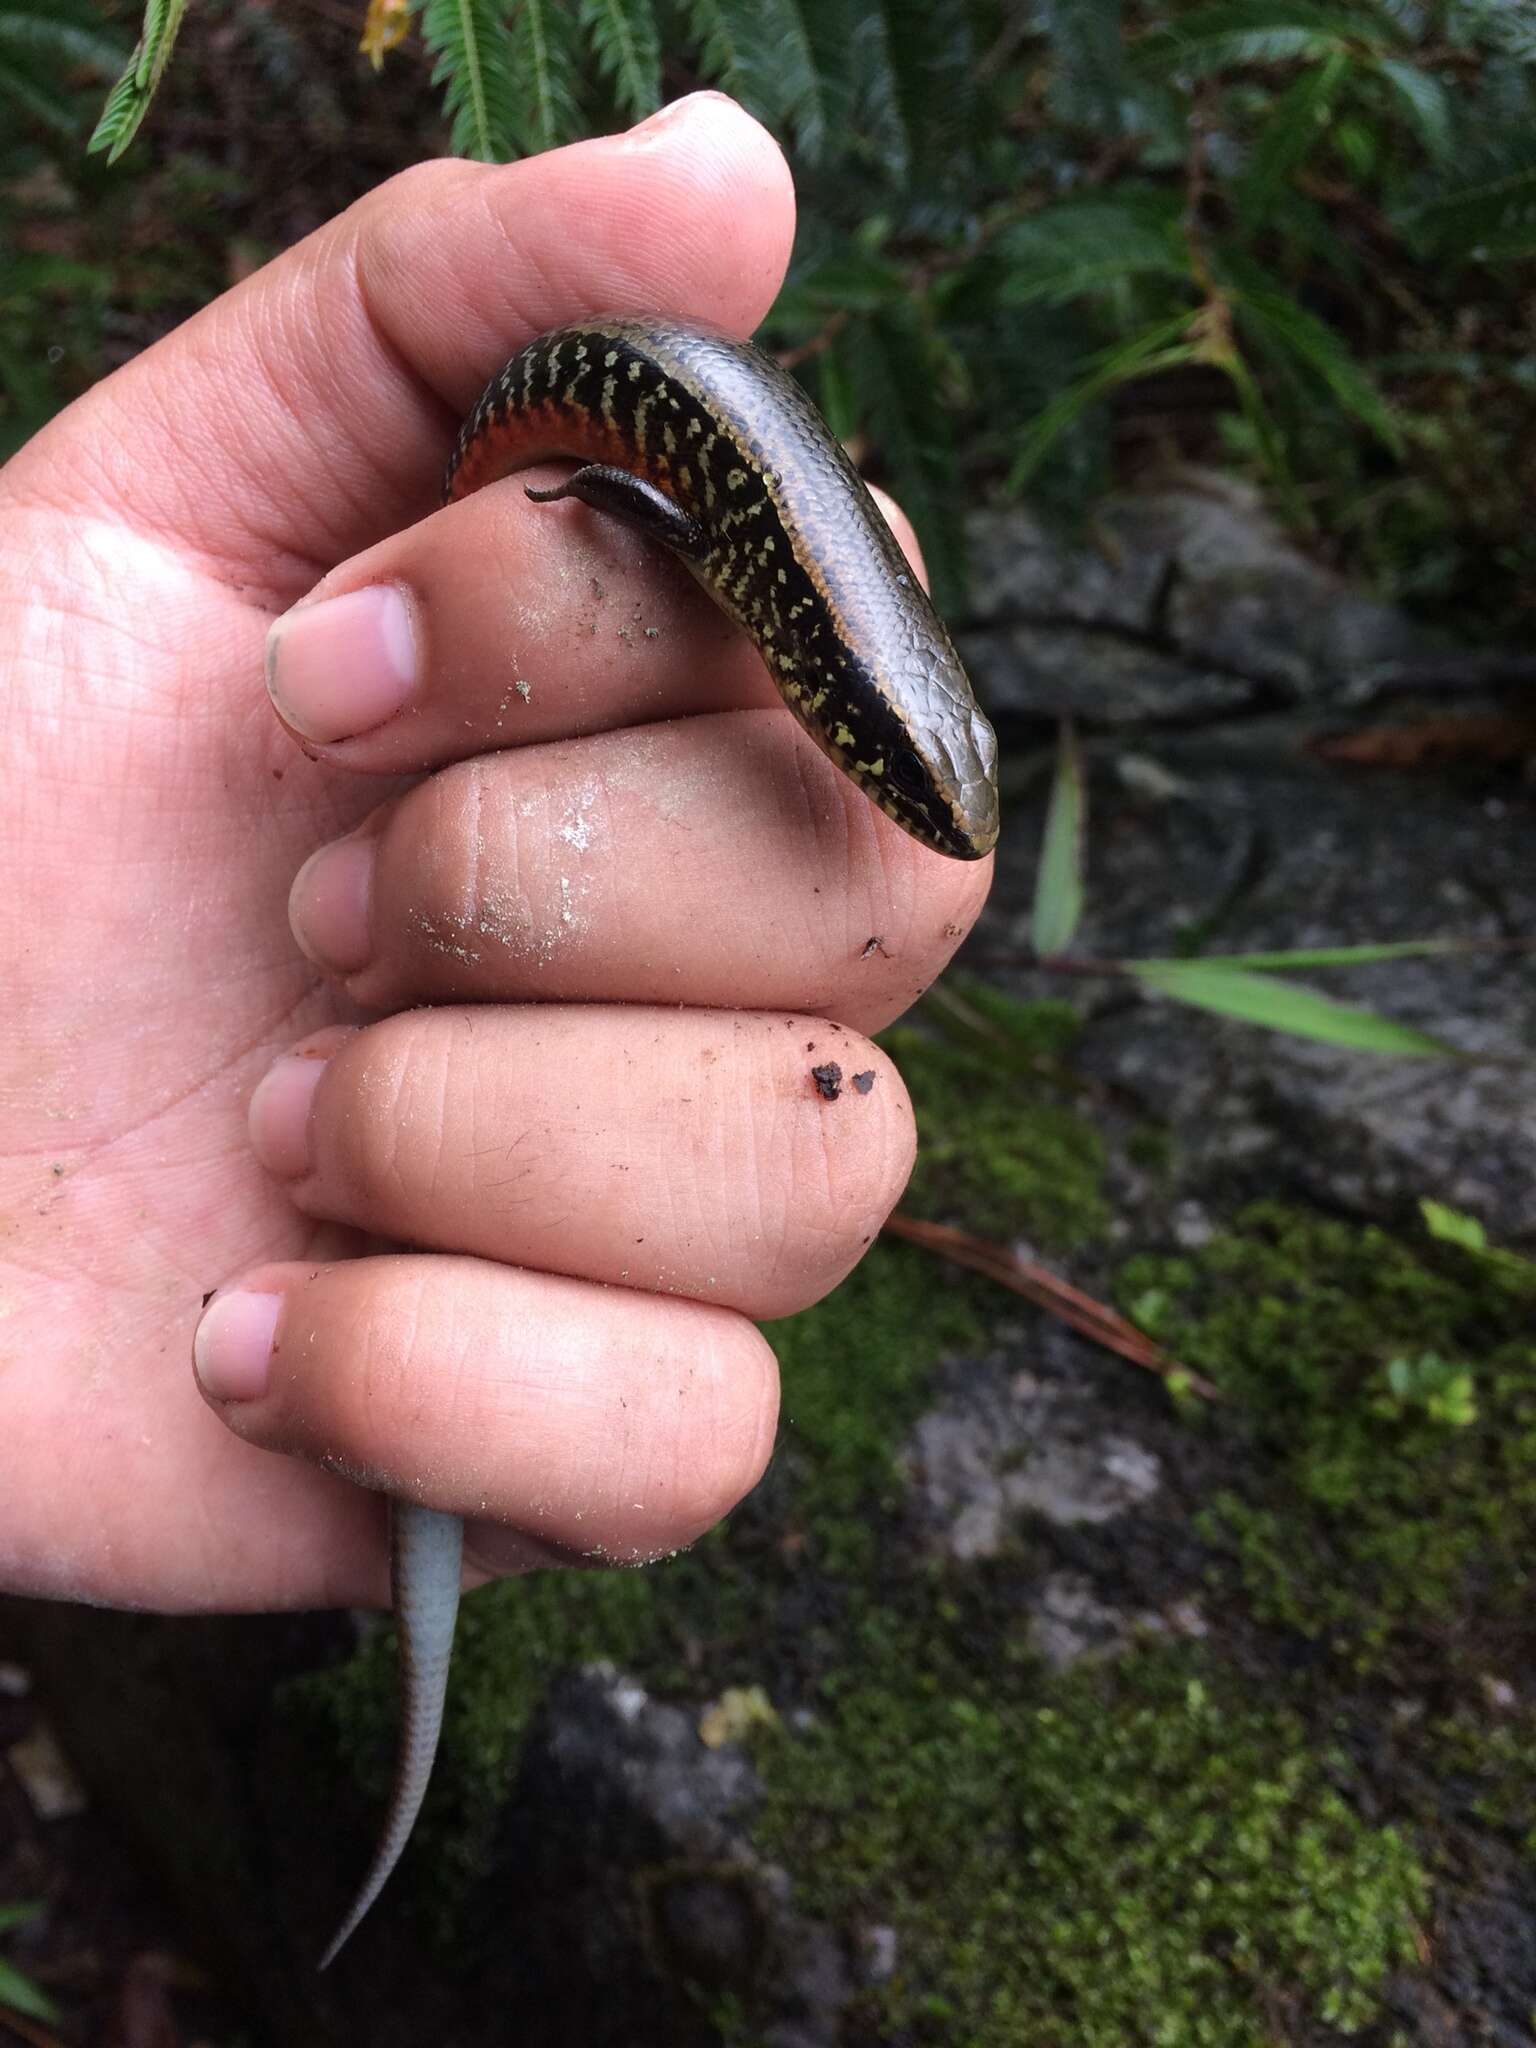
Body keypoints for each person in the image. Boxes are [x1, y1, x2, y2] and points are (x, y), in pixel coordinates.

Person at [0, 94, 991, 1617]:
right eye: (904, 775)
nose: (912, 809)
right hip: (525, 462)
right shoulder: (762, 571)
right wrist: (583, 509)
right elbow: (631, 496)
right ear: (843, 691)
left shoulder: (789, 592)